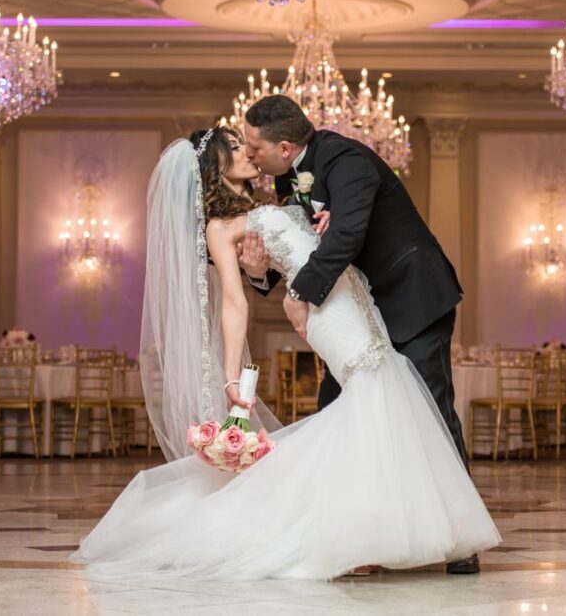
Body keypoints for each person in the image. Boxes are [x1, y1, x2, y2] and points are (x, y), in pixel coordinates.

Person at [71, 126, 499, 580]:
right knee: (372, 398)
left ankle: (373, 535)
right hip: (330, 317)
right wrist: (232, 376)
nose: (248, 152)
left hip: (358, 304)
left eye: (247, 143)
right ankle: (357, 537)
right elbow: (235, 304)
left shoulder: (270, 202)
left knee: (381, 404)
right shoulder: (220, 227)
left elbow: (308, 247)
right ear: (215, 167)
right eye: (236, 148)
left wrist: (323, 227)